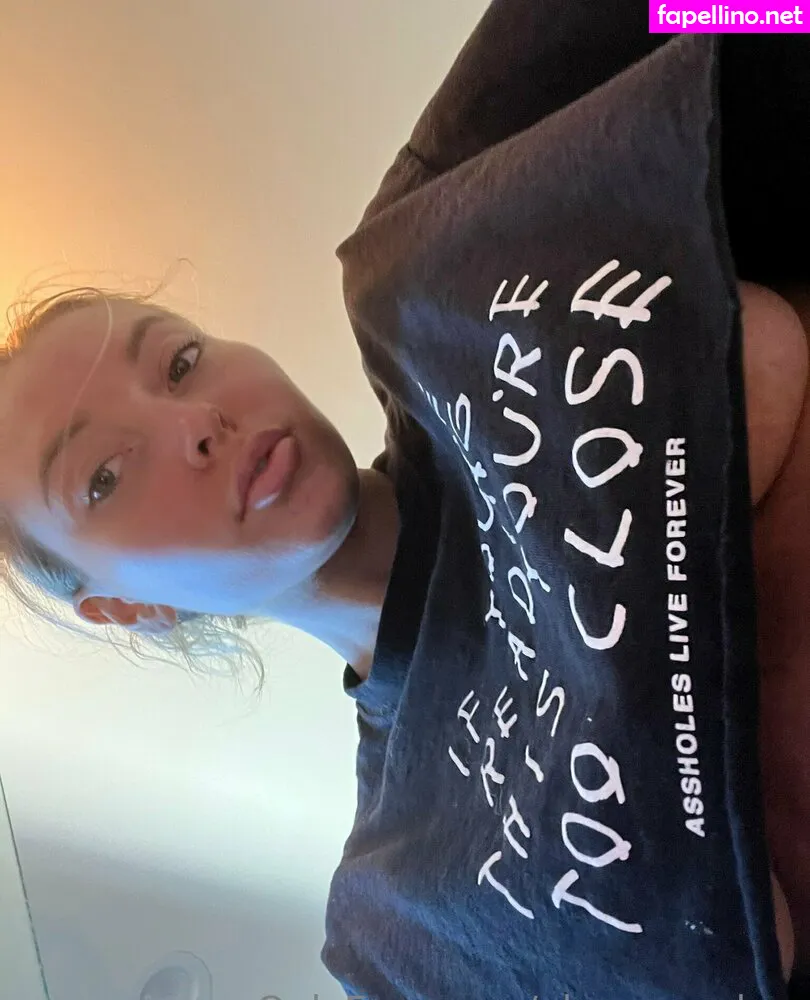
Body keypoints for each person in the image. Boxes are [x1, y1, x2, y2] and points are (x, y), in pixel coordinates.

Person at [1, 2, 809, 997]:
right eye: (105, 476)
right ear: (129, 605)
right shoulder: (398, 927)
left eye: (178, 360)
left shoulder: (431, 256)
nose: (195, 422)